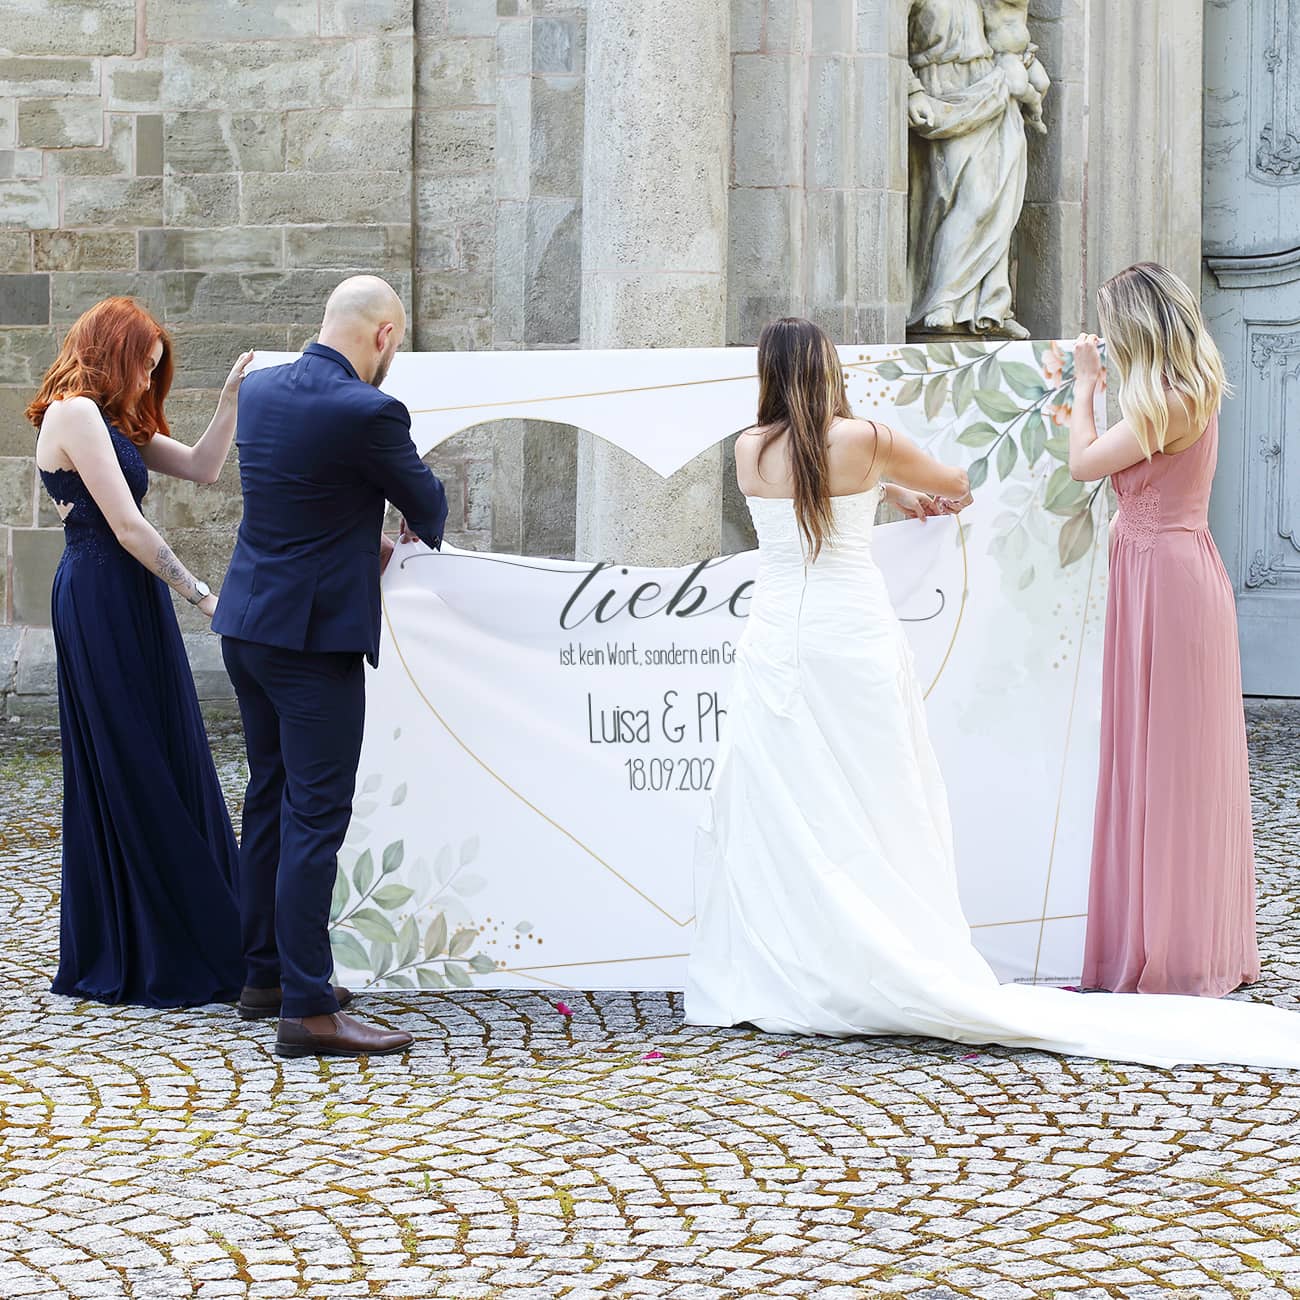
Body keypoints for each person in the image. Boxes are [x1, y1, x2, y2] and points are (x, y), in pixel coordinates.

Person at [684, 316, 1300, 1069]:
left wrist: (883, 497)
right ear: (827, 369)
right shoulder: (867, 439)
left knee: (785, 802)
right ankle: (885, 950)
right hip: (853, 641)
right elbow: (955, 483)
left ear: (768, 374)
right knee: (877, 802)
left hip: (775, 644)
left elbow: (802, 503)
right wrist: (896, 490)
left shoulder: (749, 451)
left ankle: (793, 957)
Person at [216, 275, 448, 1060]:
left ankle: (267, 977)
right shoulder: (371, 410)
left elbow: (300, 499)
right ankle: (309, 1012)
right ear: (384, 335)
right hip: (312, 642)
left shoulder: (260, 390)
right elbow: (429, 505)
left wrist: (356, 534)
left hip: (246, 623)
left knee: (270, 801)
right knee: (316, 819)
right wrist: (395, 528)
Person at [28, 297, 251, 1007]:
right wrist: (205, 597)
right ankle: (155, 941)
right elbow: (125, 526)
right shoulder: (73, 413)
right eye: (142, 367)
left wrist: (229, 401)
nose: (146, 384)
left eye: (155, 372)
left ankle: (200, 924)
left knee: (168, 746)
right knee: (133, 758)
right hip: (99, 595)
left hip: (134, 597)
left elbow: (205, 467)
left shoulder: (114, 421)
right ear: (111, 352)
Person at [1069, 263, 1258, 997]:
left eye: (1113, 330)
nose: (1107, 343)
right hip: (1163, 573)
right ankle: (1169, 933)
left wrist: (1086, 386)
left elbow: (1086, 463)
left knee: (1171, 765)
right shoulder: (1185, 392)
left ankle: (1172, 949)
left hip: (1169, 585)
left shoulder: (1170, 402)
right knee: (1163, 759)